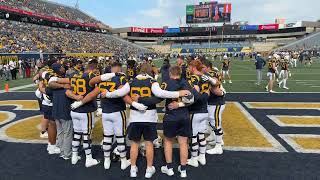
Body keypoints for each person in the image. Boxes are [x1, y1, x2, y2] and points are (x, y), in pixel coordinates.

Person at [125, 62, 190, 178]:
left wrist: (136, 102)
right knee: (149, 143)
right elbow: (160, 95)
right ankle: (149, 169)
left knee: (134, 143)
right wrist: (178, 94)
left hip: (135, 116)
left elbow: (121, 94)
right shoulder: (152, 82)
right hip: (150, 116)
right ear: (151, 71)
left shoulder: (130, 81)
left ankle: (133, 169)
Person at [89, 61, 131, 170]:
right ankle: (123, 161)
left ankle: (106, 161)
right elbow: (124, 94)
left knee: (107, 137)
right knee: (120, 137)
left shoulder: (102, 80)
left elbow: (92, 89)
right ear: (120, 69)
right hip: (118, 111)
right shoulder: (121, 79)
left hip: (106, 113)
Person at [160, 65, 193, 178]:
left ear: (170, 73)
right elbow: (192, 99)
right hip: (184, 115)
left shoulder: (166, 82)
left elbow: (158, 96)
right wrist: (180, 104)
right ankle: (183, 170)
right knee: (183, 143)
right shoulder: (185, 82)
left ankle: (169, 168)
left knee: (168, 141)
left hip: (171, 116)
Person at [187, 60, 210, 168]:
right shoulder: (205, 77)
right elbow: (207, 93)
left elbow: (194, 94)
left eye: (189, 67)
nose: (188, 69)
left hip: (195, 110)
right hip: (205, 110)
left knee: (193, 137)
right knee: (201, 135)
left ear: (193, 67)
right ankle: (202, 156)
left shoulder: (193, 77)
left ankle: (194, 159)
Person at [48, 63, 73, 160]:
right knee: (67, 133)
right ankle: (67, 154)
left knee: (61, 133)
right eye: (62, 67)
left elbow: (49, 86)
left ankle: (62, 152)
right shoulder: (56, 80)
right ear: (58, 69)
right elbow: (50, 84)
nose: (64, 68)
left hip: (56, 110)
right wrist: (63, 86)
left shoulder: (54, 80)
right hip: (64, 109)